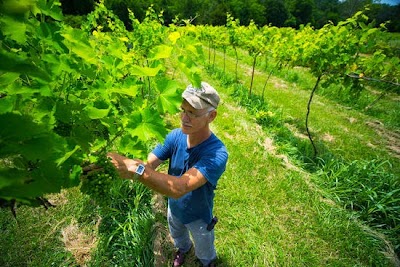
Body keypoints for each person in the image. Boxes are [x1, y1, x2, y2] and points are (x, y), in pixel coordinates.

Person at [107, 81, 228, 267]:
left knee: (204, 245)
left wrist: (134, 169)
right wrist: (122, 163)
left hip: (199, 215)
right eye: (183, 110)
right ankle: (184, 248)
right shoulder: (174, 136)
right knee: (178, 234)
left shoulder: (217, 153)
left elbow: (180, 187)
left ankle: (207, 261)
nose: (184, 118)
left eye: (192, 113)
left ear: (211, 116)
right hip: (174, 207)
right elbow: (149, 165)